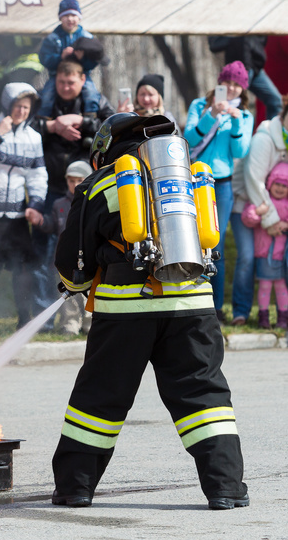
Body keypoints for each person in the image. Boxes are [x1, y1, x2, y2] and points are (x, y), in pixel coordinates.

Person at [51, 112, 249, 510]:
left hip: (125, 310)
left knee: (99, 399)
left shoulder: (101, 183)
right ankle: (226, 487)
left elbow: (74, 260)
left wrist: (75, 285)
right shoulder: (189, 177)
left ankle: (75, 487)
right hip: (192, 305)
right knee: (204, 396)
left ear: (105, 148)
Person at [32, 59, 115, 323]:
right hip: (51, 186)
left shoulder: (95, 102)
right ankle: (47, 314)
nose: (66, 87)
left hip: (87, 190)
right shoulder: (44, 101)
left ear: (82, 80)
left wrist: (83, 121)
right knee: (48, 255)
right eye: (61, 82)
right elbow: (25, 125)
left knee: (87, 249)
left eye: (71, 82)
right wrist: (53, 126)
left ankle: (90, 312)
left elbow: (113, 125)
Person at [0, 82, 48, 334]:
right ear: (7, 104)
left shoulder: (33, 137)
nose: (22, 111)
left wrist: (35, 205)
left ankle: (24, 321)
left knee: (22, 268)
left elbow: (37, 174)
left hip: (16, 215)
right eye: (17, 105)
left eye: (26, 107)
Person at [184, 61, 255, 322]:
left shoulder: (245, 115)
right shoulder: (198, 105)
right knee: (190, 241)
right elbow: (189, 138)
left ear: (243, 89)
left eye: (238, 85)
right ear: (219, 83)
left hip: (220, 184)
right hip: (192, 180)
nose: (233, 89)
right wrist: (211, 114)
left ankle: (214, 307)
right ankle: (190, 302)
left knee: (215, 244)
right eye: (228, 82)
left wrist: (235, 124)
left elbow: (240, 152)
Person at [229, 102, 288, 325]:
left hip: (272, 209)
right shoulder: (265, 139)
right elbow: (254, 183)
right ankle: (241, 312)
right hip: (245, 204)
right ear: (283, 114)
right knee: (247, 256)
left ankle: (282, 313)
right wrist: (271, 220)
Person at [38, 160, 93, 335]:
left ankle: (89, 324)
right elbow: (52, 226)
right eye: (71, 181)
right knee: (69, 295)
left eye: (79, 180)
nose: (75, 184)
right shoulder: (59, 205)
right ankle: (70, 324)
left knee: (90, 292)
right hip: (65, 260)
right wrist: (39, 220)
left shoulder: (92, 202)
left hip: (88, 259)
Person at [37, 0, 105, 117]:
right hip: (57, 76)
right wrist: (60, 57)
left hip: (82, 76)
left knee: (91, 92)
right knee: (47, 94)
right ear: (60, 18)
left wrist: (82, 59)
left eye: (73, 15)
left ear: (79, 18)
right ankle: (43, 118)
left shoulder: (87, 37)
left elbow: (95, 61)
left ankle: (90, 116)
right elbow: (44, 59)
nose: (70, 19)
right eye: (66, 15)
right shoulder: (53, 38)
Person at [241, 162, 288, 329]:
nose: (281, 188)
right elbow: (247, 217)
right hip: (263, 253)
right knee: (265, 286)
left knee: (281, 286)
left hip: (281, 255)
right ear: (270, 183)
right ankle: (263, 317)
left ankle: (283, 317)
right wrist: (258, 212)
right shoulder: (263, 201)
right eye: (277, 184)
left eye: (285, 185)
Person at [208, 36, 283, 120]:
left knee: (275, 100)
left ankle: (272, 130)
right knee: (230, 101)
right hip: (236, 70)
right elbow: (214, 44)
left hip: (255, 68)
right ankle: (220, 126)